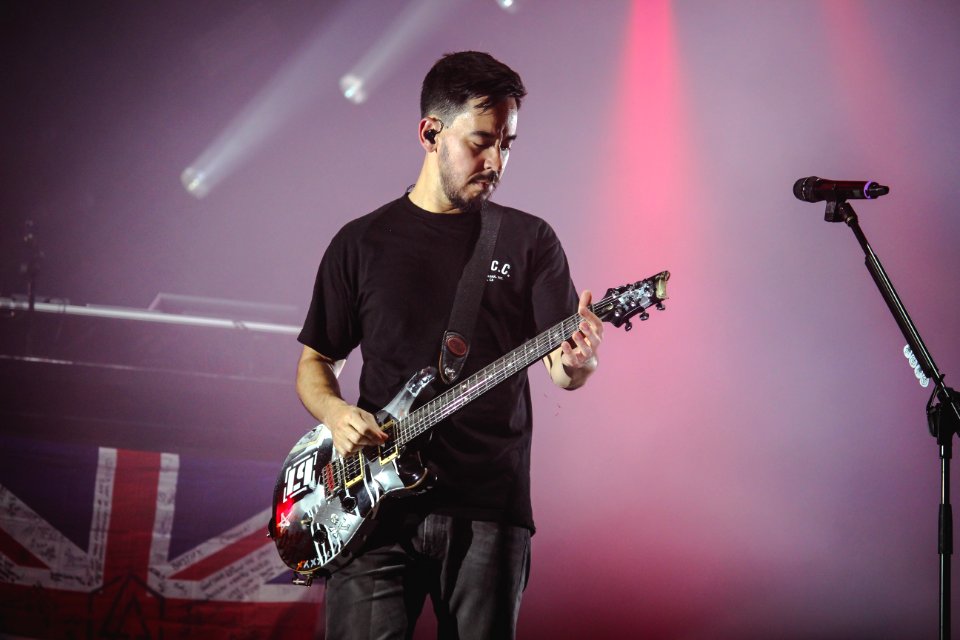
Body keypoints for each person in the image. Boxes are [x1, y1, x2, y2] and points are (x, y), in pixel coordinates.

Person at [296, 51, 602, 640]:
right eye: (482, 141)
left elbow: (564, 371)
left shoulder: (528, 239)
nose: (497, 162)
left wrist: (579, 362)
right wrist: (336, 415)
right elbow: (315, 362)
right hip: (371, 508)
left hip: (488, 507)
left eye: (508, 144)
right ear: (430, 132)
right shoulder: (361, 242)